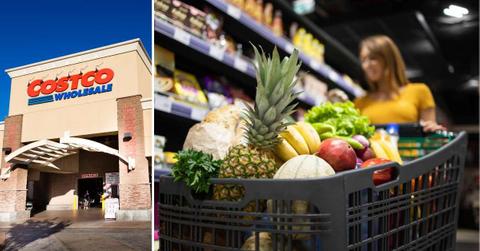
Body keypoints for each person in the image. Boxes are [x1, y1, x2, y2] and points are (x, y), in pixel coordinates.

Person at [354, 35, 445, 132]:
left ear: (388, 58)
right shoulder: (359, 103)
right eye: (363, 60)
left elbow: (429, 136)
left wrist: (433, 129)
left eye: (372, 58)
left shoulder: (419, 91)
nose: (366, 65)